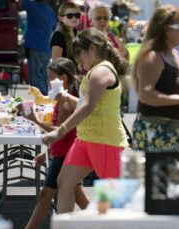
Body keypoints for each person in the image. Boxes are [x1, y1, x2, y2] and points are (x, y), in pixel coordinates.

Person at [43, 28, 128, 213]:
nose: (78, 61)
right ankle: (64, 226)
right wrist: (67, 98)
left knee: (112, 200)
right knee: (64, 182)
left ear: (91, 48)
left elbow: (88, 107)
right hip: (85, 140)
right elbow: (86, 103)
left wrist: (60, 131)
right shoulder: (94, 71)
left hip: (106, 141)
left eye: (79, 54)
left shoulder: (102, 71)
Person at [23, 58, 88, 228]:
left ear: (63, 78)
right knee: (77, 193)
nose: (49, 81)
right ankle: (105, 224)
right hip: (65, 152)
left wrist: (35, 120)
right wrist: (47, 153)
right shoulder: (66, 98)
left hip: (66, 153)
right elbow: (61, 132)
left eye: (52, 77)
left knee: (46, 194)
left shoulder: (66, 101)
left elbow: (59, 130)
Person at [131, 4, 179, 150]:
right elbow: (146, 95)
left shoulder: (174, 54)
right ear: (166, 30)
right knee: (158, 173)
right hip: (154, 130)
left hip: (172, 130)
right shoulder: (152, 57)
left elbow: (173, 87)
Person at [19, 0, 57, 95]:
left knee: (34, 77)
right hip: (47, 48)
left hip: (36, 46)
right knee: (43, 76)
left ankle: (41, 100)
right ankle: (45, 100)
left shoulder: (32, 6)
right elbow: (54, 27)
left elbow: (19, 3)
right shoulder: (50, 11)